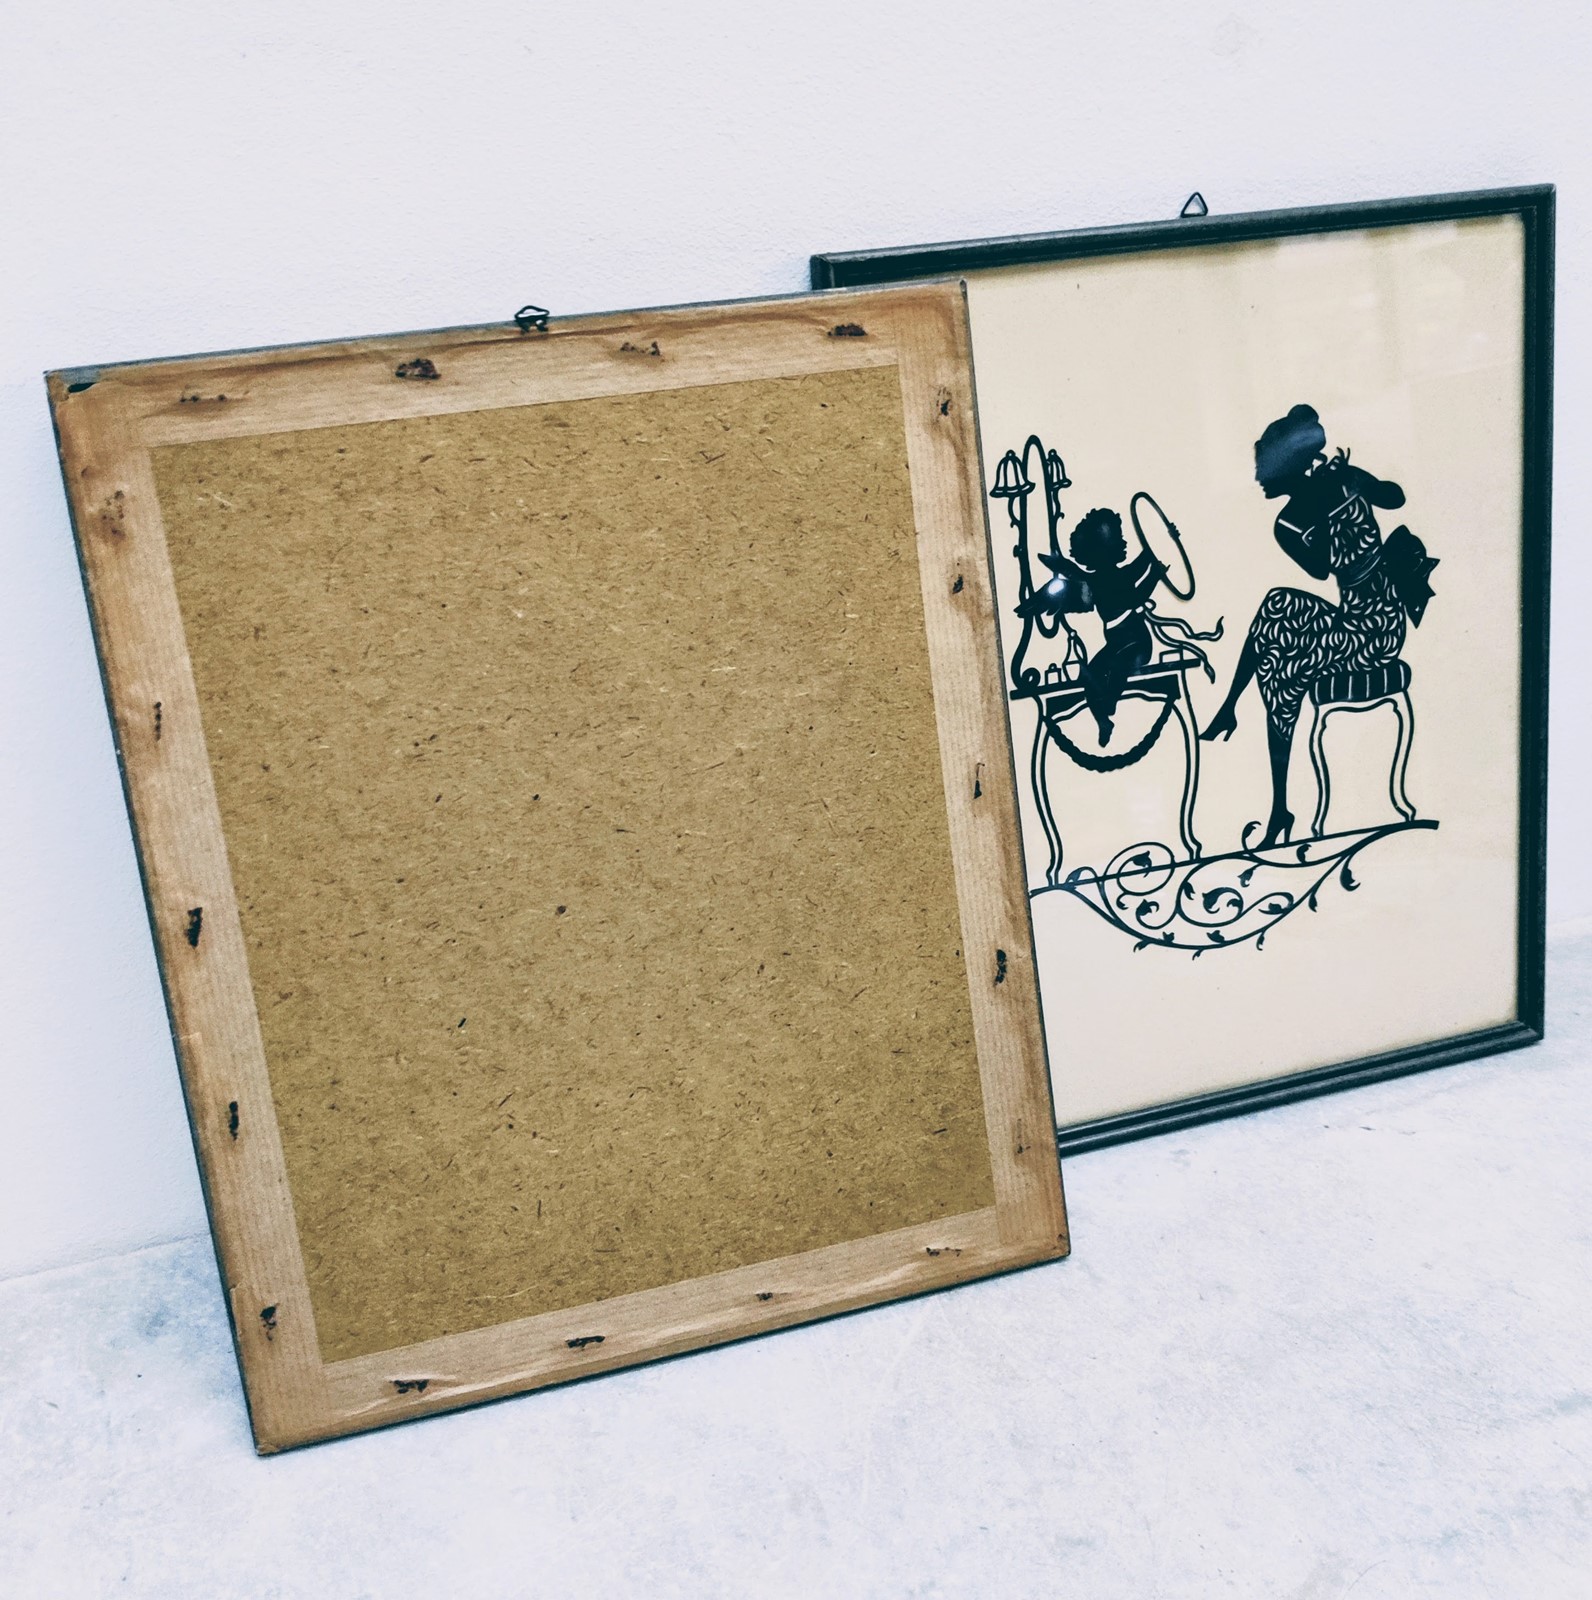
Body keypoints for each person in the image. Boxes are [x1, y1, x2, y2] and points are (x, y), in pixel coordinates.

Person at [1200, 404, 1432, 846]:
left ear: (1288, 466)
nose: (1258, 478)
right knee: (1277, 619)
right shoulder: (1287, 524)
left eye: (1264, 467)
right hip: (1349, 621)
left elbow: (1395, 497)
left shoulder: (1338, 483)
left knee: (1282, 660)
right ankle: (1265, 776)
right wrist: (1326, 502)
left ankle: (1268, 786)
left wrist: (1356, 483)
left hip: (1378, 626)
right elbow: (1320, 569)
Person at [1019, 507, 1164, 746]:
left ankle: (1110, 701)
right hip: (1116, 643)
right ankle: (1104, 720)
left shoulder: (1116, 576)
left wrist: (1154, 560)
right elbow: (1137, 584)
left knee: (1117, 667)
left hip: (1136, 642)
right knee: (1089, 674)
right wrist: (1153, 572)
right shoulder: (1097, 581)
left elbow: (1136, 592)